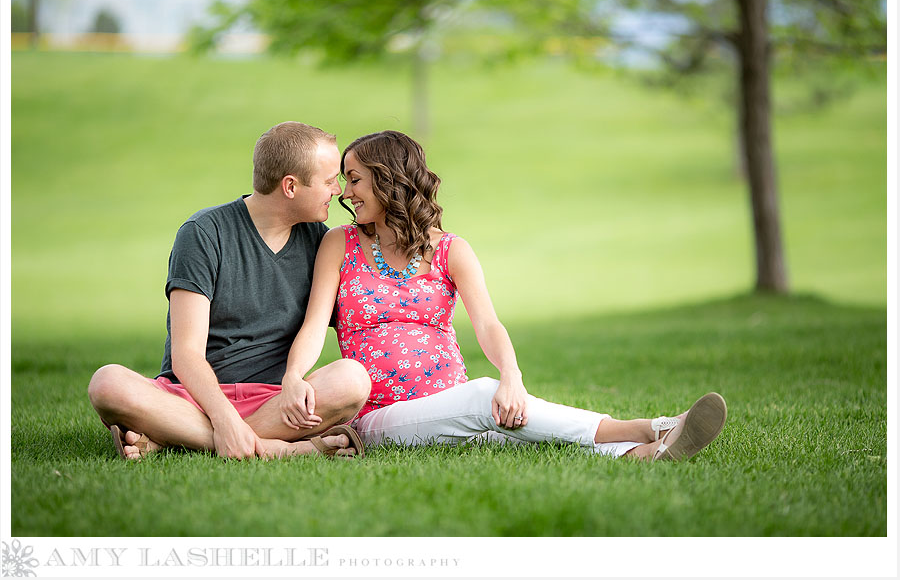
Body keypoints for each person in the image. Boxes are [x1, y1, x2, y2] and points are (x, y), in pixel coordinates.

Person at [281, 130, 727, 461]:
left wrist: (511, 375)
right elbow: (315, 324)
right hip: (380, 415)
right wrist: (295, 377)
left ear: (388, 179)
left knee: (510, 424)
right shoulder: (339, 244)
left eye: (355, 179)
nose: (346, 192)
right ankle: (652, 428)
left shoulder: (451, 249)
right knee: (483, 400)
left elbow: (489, 325)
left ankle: (639, 457)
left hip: (447, 398)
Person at [87, 122, 370, 461]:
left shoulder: (321, 242)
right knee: (107, 384)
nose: (338, 191)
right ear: (290, 186)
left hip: (275, 399)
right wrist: (223, 418)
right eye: (328, 182)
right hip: (191, 395)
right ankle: (273, 448)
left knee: (351, 379)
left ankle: (173, 437)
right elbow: (186, 355)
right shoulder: (203, 233)